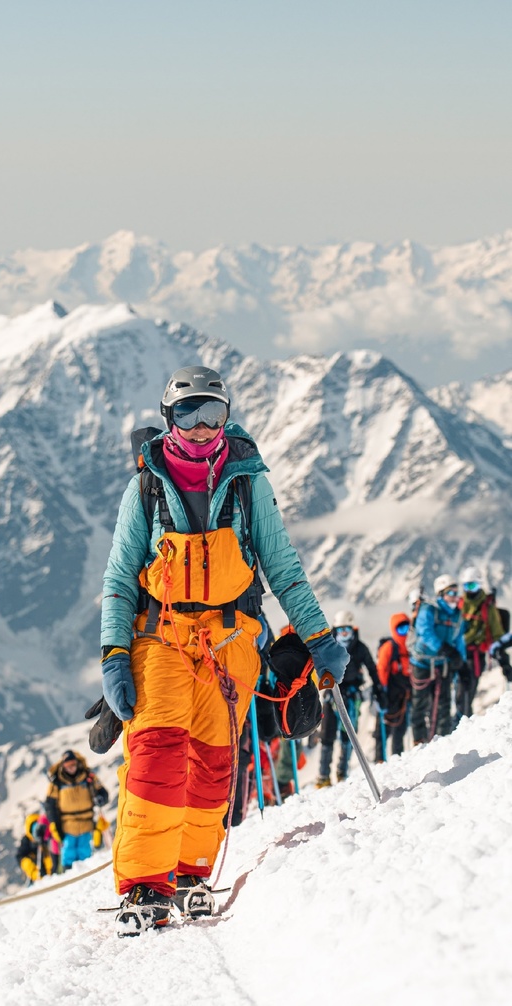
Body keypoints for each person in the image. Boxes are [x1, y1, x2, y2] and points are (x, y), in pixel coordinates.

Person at [100, 366, 348, 935]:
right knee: (159, 749)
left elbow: (282, 567)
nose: (204, 427)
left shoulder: (247, 480)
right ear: (169, 419)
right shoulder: (144, 486)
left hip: (232, 640)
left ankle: (189, 872)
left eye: (215, 413)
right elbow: (119, 577)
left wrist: (318, 637)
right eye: (190, 414)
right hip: (160, 634)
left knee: (213, 762)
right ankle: (146, 881)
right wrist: (115, 652)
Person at [316, 610, 379, 787]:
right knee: (327, 735)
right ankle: (323, 775)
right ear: (335, 629)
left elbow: (372, 668)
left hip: (351, 695)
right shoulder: (328, 647)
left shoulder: (359, 648)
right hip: (332, 694)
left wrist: (379, 689)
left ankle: (342, 773)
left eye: (347, 629)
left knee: (348, 735)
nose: (344, 633)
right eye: (341, 629)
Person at [409, 574, 466, 742]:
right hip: (422, 663)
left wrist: (460, 661)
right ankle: (419, 742)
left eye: (457, 593)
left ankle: (442, 740)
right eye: (451, 592)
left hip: (442, 664)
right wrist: (443, 648)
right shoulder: (429, 609)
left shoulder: (457, 615)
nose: (455, 597)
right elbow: (424, 632)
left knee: (444, 704)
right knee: (419, 705)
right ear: (441, 593)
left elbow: (458, 639)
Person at [44, 749, 109, 871]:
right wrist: (54, 823)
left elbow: (103, 792)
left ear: (77, 763)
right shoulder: (57, 782)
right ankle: (68, 872)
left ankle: (84, 872)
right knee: (69, 850)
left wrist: (101, 798)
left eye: (73, 764)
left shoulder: (88, 777)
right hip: (67, 824)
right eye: (68, 766)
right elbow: (50, 805)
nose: (71, 768)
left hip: (86, 823)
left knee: (84, 849)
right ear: (63, 766)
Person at [457, 566, 504, 717]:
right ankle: (459, 724)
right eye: (466, 586)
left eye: (473, 585)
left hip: (475, 656)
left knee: (467, 693)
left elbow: (497, 632)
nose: (470, 590)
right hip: (457, 656)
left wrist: (501, 651)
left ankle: (463, 723)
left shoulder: (487, 607)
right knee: (458, 695)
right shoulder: (459, 604)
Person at [374, 613, 412, 761]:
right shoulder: (389, 648)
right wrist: (381, 693)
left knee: (400, 730)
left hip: (404, 696)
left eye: (407, 628)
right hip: (388, 696)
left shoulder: (411, 647)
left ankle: (398, 759)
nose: (405, 633)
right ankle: (380, 760)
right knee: (383, 731)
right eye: (400, 629)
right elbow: (381, 669)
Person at [15, 811, 56, 884]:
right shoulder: (26, 842)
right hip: (36, 872)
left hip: (47, 872)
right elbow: (21, 858)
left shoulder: (45, 836)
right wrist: (34, 873)